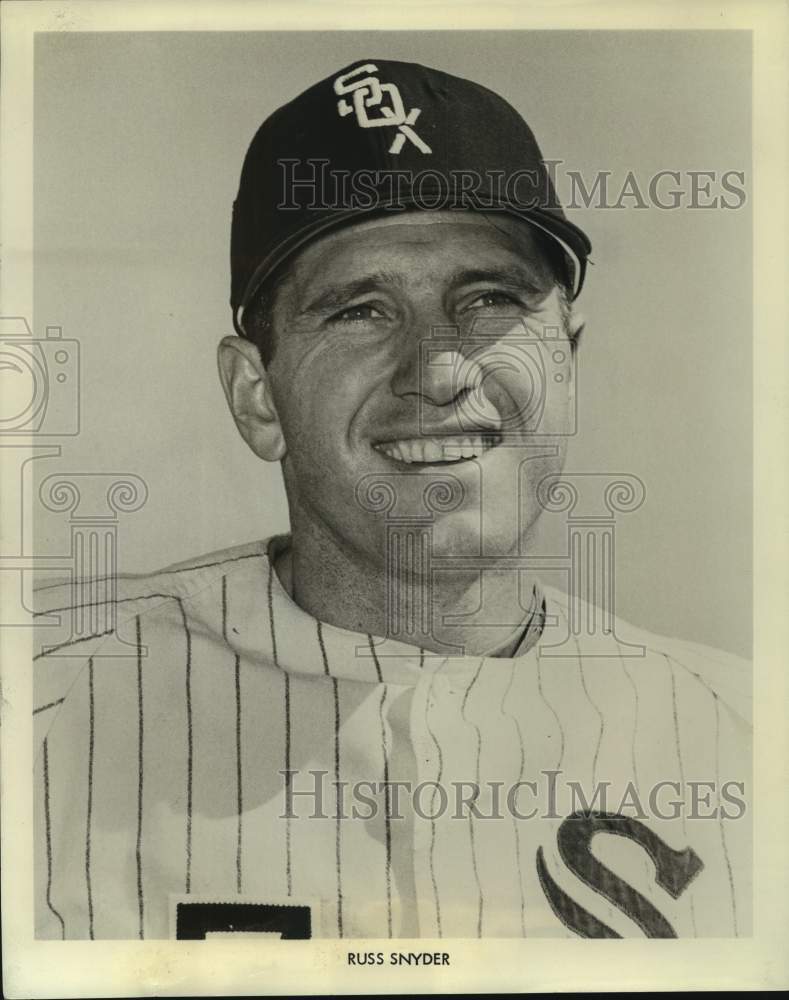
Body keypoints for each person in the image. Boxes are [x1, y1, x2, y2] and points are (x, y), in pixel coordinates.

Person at [33, 58, 751, 941]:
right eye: (360, 311)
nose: (440, 371)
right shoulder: (39, 716)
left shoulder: (745, 738)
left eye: (489, 299)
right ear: (258, 395)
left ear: (569, 360)